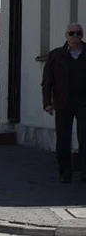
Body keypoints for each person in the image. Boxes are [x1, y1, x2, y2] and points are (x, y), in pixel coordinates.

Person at [42, 23, 86, 182]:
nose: (75, 36)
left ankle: (84, 172)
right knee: (62, 139)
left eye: (78, 33)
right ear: (66, 36)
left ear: (82, 35)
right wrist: (47, 102)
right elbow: (47, 81)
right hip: (62, 102)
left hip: (83, 102)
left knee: (85, 136)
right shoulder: (56, 55)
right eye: (71, 33)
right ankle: (65, 172)